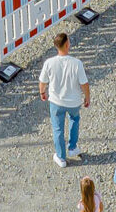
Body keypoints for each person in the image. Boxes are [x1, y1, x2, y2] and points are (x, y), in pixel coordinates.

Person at [38, 32, 89, 168]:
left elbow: (43, 81)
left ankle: (61, 157)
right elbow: (84, 83)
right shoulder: (76, 63)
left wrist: (42, 92)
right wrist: (87, 97)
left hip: (56, 101)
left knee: (58, 129)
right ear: (67, 45)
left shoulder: (49, 63)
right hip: (74, 101)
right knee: (74, 120)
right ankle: (72, 147)